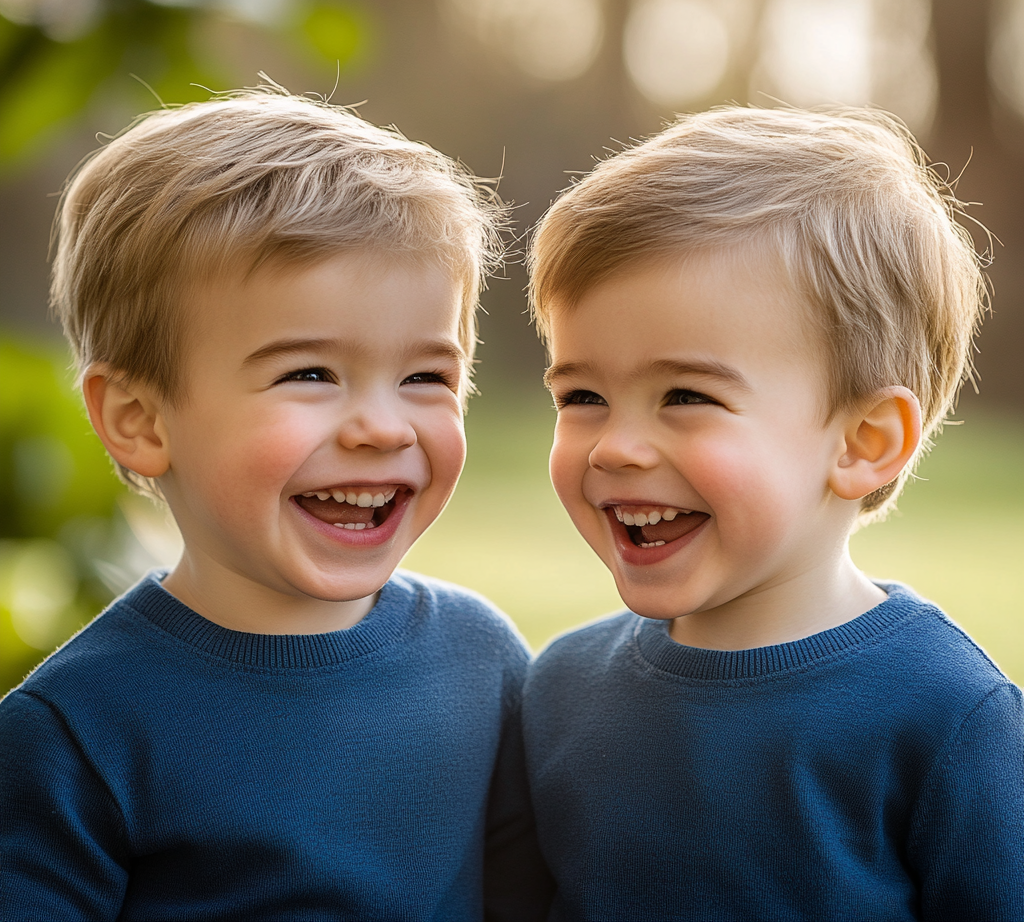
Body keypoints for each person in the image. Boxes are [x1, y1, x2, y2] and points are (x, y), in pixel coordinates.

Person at [0, 87, 550, 921]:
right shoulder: (74, 735)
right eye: (310, 374)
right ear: (139, 420)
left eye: (425, 377)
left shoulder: (483, 662)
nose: (380, 426)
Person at [522, 106, 1024, 920]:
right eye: (582, 395)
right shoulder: (559, 694)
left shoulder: (948, 719)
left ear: (863, 441)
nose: (614, 447)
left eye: (686, 395)